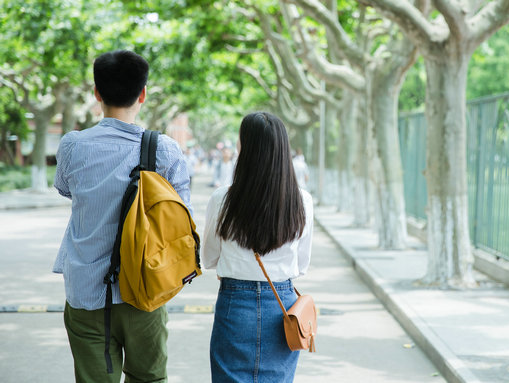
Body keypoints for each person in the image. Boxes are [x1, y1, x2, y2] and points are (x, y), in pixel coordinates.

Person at [54, 50, 193, 383]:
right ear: (143, 94)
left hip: (86, 293)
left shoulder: (72, 145)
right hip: (146, 288)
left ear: (97, 94)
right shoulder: (165, 150)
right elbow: (181, 218)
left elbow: (66, 189)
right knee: (148, 378)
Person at [201, 112, 314, 382]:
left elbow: (208, 257)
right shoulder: (302, 201)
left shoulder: (222, 199)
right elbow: (301, 264)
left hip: (234, 305)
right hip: (283, 305)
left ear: (244, 147)